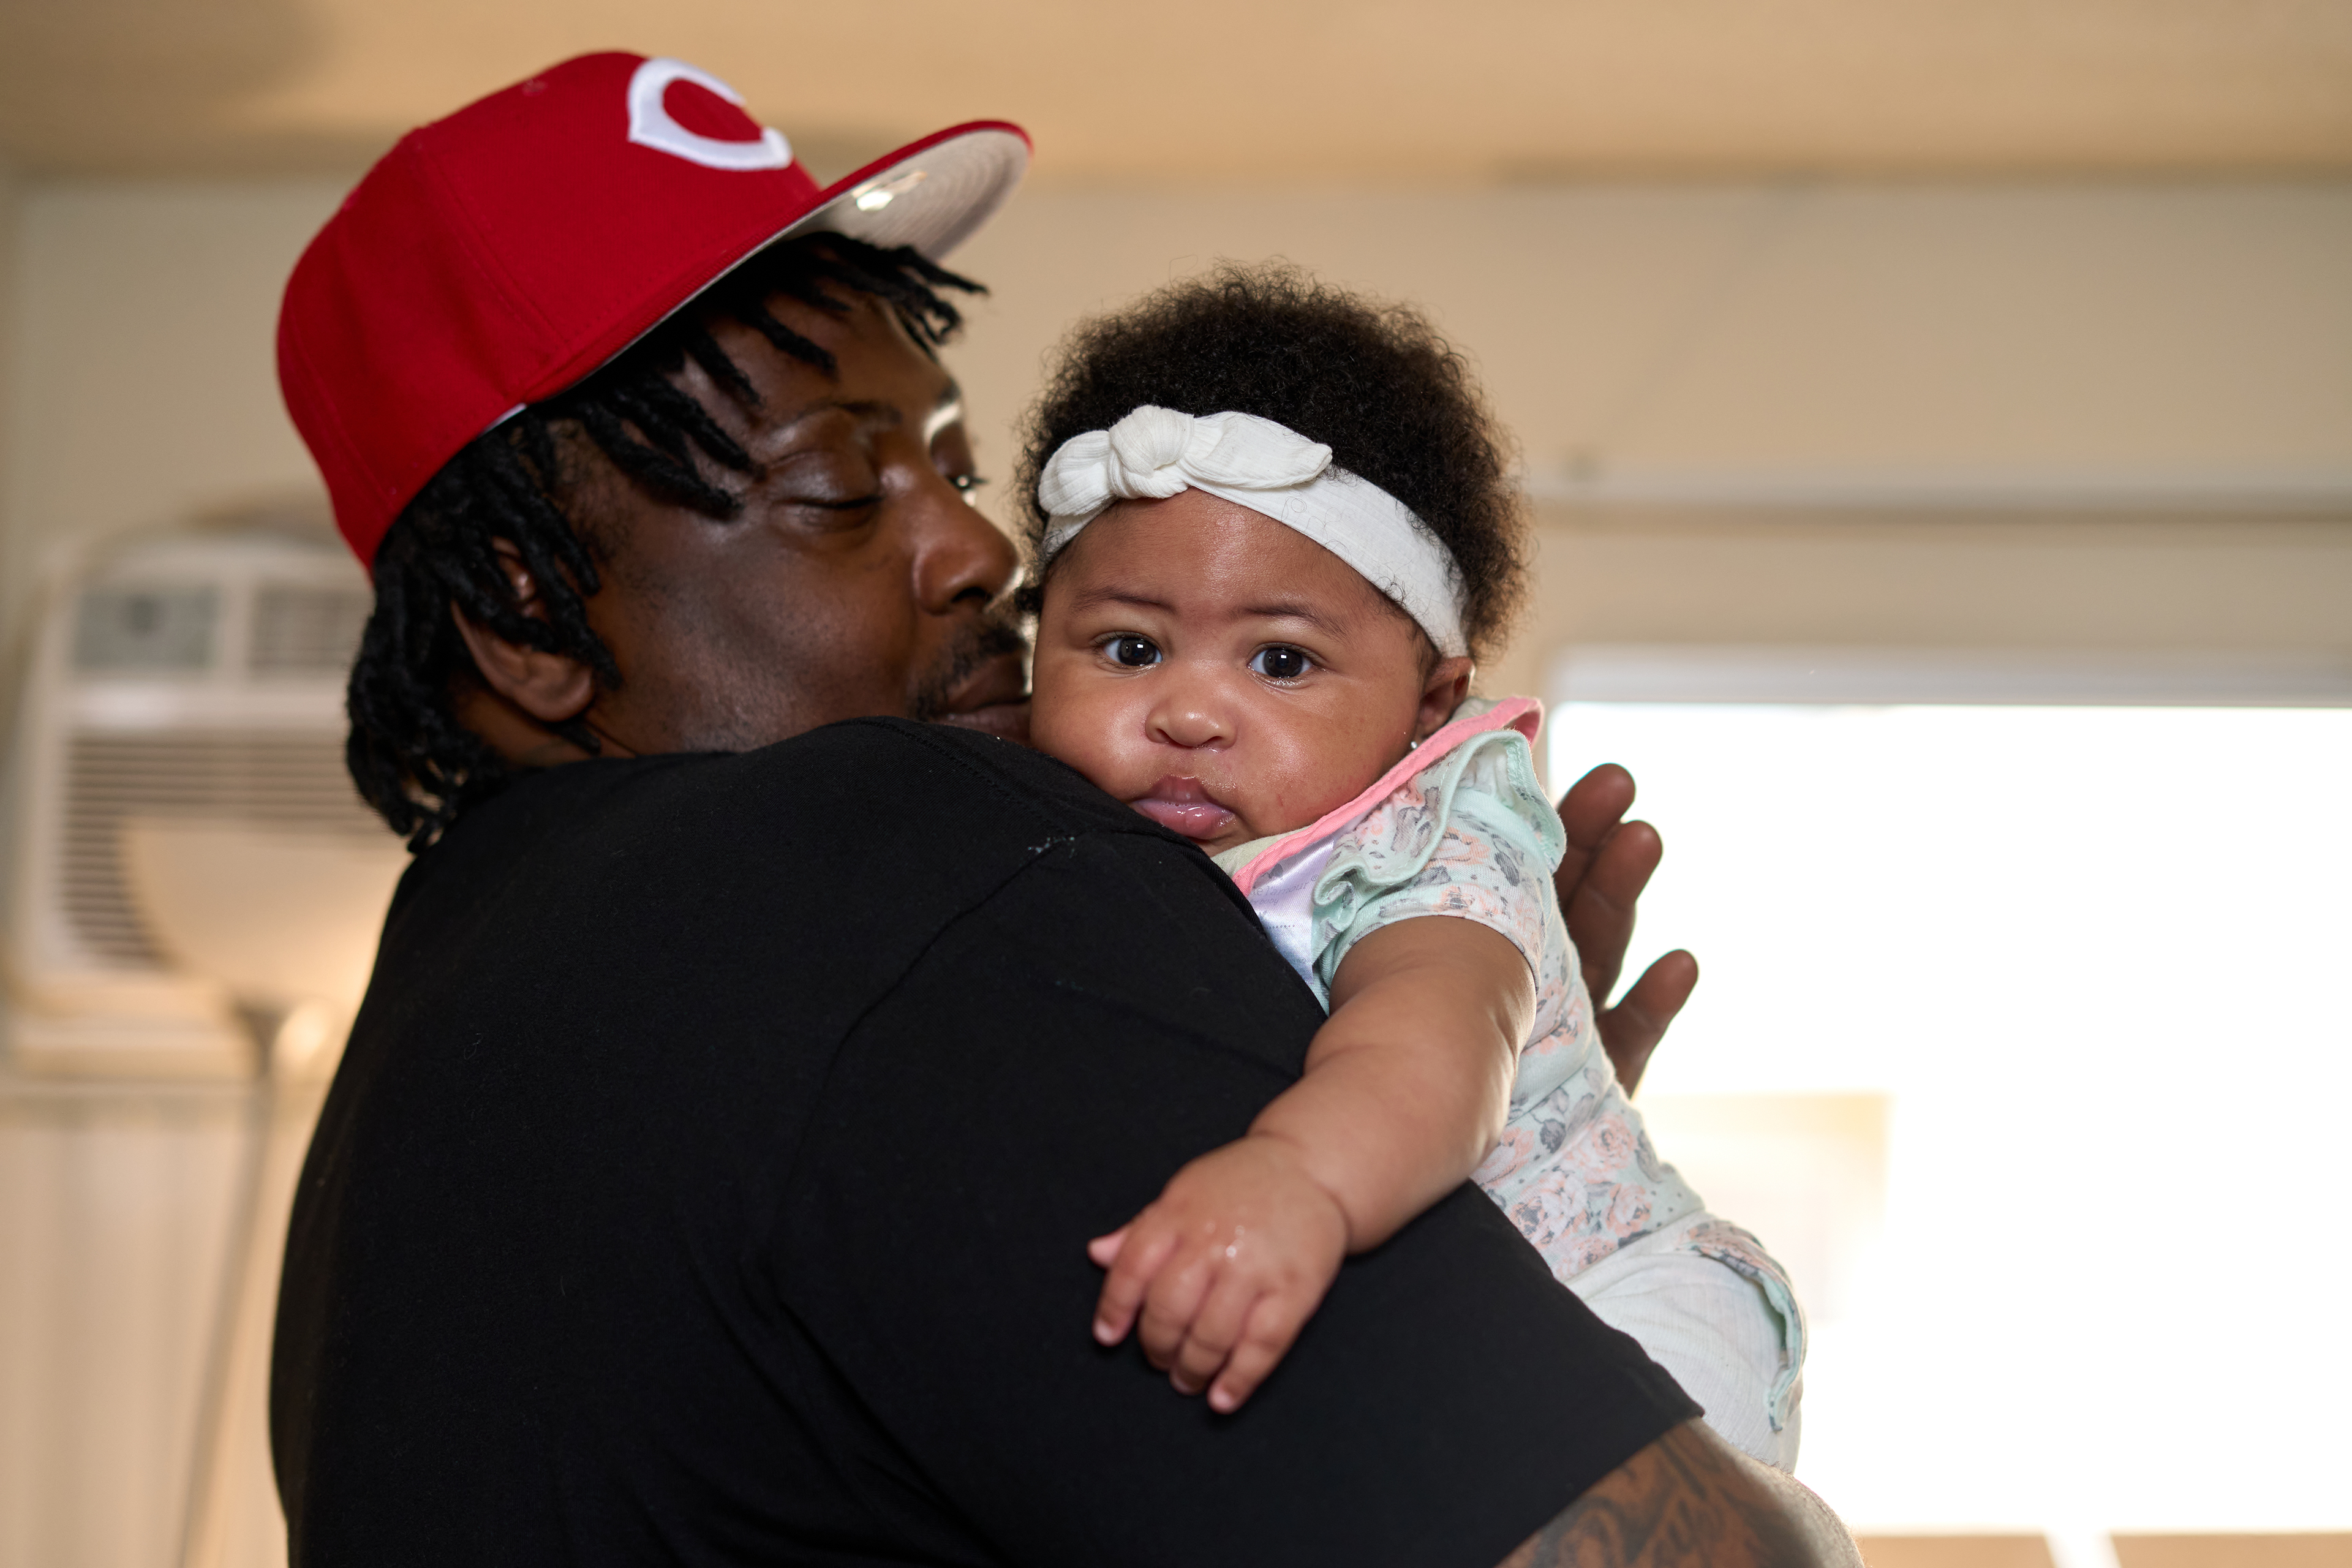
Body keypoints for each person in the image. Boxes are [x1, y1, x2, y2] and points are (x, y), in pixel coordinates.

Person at [270, 50, 1856, 1567]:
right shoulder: (889, 857)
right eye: (839, 489)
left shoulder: (418, 1069)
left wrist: (1482, 1141)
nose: (978, 551)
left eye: (955, 463)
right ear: (523, 608)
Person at [1016, 267, 1803, 1467]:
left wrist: (1300, 1177)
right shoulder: (1088, 849)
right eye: (1131, 647)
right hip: (1425, 1316)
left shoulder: (1428, 839)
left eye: (1279, 662)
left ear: (1430, 700)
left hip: (1620, 1285)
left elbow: (1438, 1042)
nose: (1188, 710)